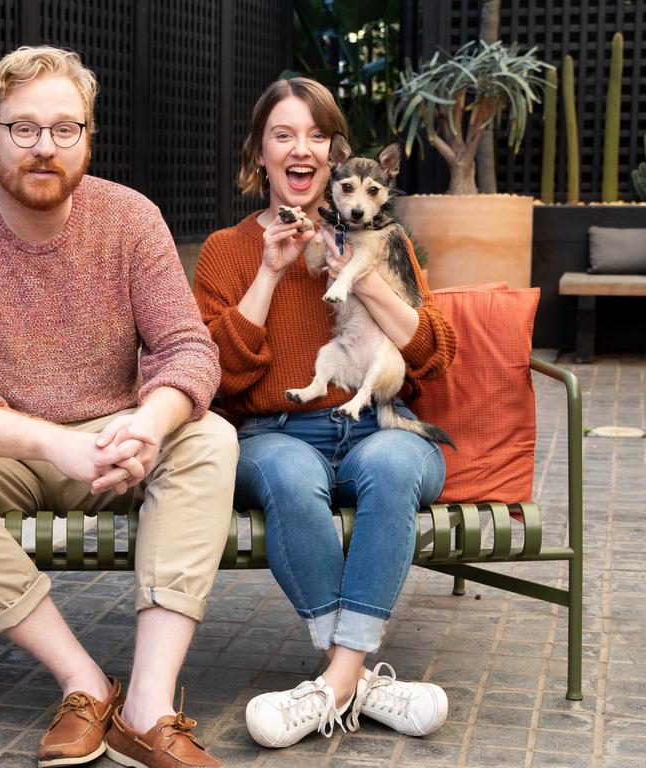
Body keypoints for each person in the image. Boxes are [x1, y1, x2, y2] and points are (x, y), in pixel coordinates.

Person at [0, 46, 237, 768]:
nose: (46, 147)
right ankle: (82, 681)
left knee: (211, 437)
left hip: (116, 442)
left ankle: (148, 704)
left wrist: (149, 421)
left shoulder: (131, 220)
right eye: (24, 129)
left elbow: (189, 351)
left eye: (65, 129)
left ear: (87, 137)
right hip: (9, 450)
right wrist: (49, 442)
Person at [193, 77, 457, 749]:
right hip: (277, 432)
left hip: (381, 425)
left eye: (316, 135)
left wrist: (364, 276)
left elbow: (433, 354)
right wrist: (272, 272)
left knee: (395, 465)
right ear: (260, 153)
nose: (301, 149)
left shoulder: (382, 238)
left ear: (338, 161)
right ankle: (362, 684)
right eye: (283, 135)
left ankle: (335, 683)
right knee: (286, 475)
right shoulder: (226, 250)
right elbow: (217, 374)